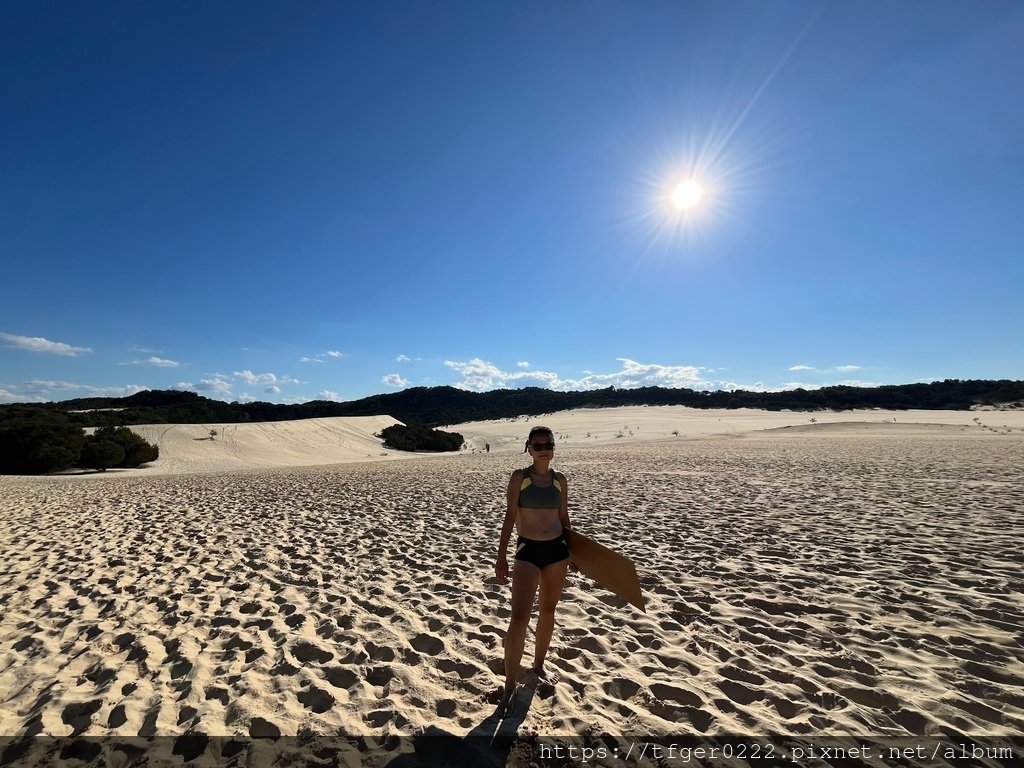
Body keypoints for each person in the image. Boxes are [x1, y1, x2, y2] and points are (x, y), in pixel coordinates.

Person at [494, 426, 574, 717]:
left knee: (548, 611)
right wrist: (501, 557)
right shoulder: (520, 478)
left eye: (548, 444)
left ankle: (538, 665)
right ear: (528, 447)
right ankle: (510, 683)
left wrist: (574, 551)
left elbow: (563, 517)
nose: (544, 449)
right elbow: (510, 516)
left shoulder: (560, 480)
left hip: (557, 552)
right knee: (519, 618)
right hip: (527, 551)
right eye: (538, 445)